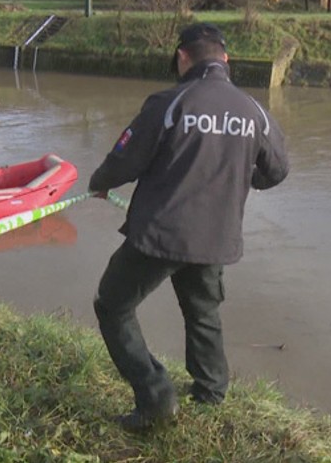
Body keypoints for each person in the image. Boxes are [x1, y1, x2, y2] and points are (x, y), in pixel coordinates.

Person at [88, 22, 289, 431]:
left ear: (183, 58)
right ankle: (211, 392)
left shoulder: (169, 102)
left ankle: (156, 397)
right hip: (216, 235)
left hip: (161, 233)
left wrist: (98, 184)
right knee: (202, 312)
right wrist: (242, 178)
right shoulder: (254, 112)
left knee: (112, 305)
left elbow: (125, 161)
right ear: (226, 60)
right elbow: (277, 170)